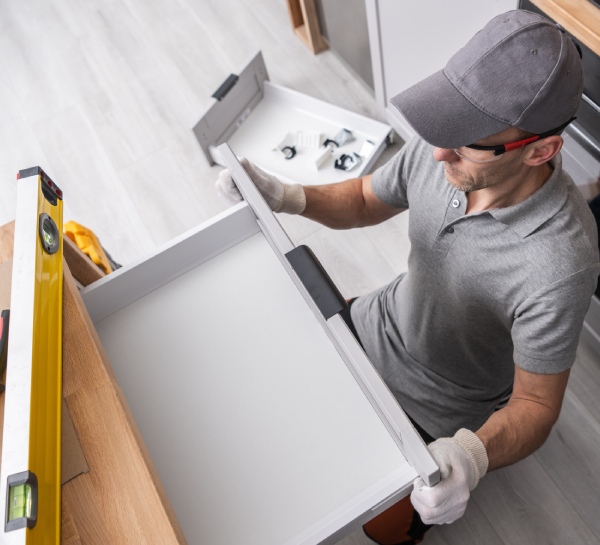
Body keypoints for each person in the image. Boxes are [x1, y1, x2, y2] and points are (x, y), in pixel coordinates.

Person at [216, 9, 600, 545]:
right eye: (446, 127)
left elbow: (535, 406)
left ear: (540, 150)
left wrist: (470, 456)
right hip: (376, 323)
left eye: (466, 143)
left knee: (377, 527)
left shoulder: (560, 263)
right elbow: (363, 198)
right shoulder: (447, 141)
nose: (438, 150)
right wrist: (287, 195)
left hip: (440, 406)